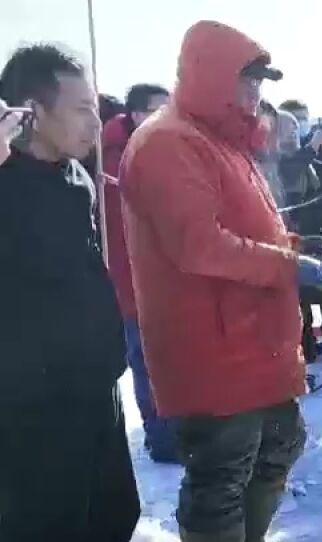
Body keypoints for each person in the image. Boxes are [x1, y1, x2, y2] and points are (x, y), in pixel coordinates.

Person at [122, 20, 322, 542]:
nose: (255, 96)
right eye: (245, 82)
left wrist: (298, 246)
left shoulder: (223, 142)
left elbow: (249, 226)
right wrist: (286, 266)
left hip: (253, 338)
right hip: (209, 341)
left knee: (280, 441)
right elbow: (199, 246)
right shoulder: (168, 141)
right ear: (211, 78)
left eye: (260, 83)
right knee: (223, 464)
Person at [0, 44, 173, 542]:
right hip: (29, 388)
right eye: (77, 109)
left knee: (110, 510)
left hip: (91, 375)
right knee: (44, 523)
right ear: (30, 111)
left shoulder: (74, 177)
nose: (91, 122)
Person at [102, 82, 177, 463]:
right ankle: (162, 439)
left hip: (172, 279)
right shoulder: (110, 162)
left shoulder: (166, 150)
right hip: (131, 282)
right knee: (147, 363)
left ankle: (179, 430)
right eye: (157, 110)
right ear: (135, 115)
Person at [276, 109, 322, 361]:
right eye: (287, 129)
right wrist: (311, 150)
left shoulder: (305, 157)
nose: (292, 134)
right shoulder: (275, 160)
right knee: (299, 295)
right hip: (291, 233)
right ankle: (305, 346)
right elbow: (289, 175)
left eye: (295, 129)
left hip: (318, 230)